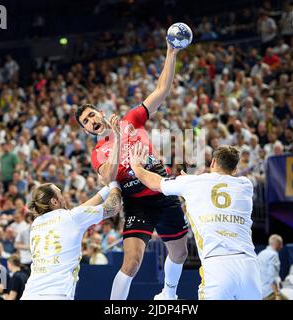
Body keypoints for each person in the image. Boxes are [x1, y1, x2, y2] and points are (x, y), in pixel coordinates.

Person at [75, 39, 189, 300]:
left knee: (180, 253)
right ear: (85, 130)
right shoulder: (97, 152)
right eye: (86, 122)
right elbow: (109, 176)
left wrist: (171, 53)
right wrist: (116, 138)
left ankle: (168, 295)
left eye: (92, 115)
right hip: (137, 203)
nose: (91, 121)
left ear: (100, 113)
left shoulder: (132, 119)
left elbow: (162, 88)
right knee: (132, 263)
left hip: (162, 190)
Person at [128, 143, 262, 300]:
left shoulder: (193, 183)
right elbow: (217, 186)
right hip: (249, 267)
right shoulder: (246, 185)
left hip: (217, 266)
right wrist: (191, 182)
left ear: (212, 162)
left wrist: (136, 167)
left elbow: (155, 183)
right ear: (234, 170)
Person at [20, 182, 121, 300]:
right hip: (56, 294)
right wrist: (116, 185)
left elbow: (82, 209)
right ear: (54, 201)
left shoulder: (36, 223)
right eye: (60, 193)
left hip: (30, 293)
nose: (63, 196)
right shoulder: (72, 217)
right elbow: (112, 208)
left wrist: (107, 187)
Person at [258, 234, 285, 300]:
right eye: (281, 244)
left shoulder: (261, 253)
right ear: (277, 244)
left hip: (260, 292)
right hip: (270, 292)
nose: (281, 247)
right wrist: (277, 294)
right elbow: (272, 276)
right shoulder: (274, 255)